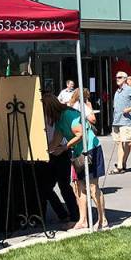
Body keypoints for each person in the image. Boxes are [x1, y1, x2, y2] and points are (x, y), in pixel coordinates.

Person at [51, 90, 106, 230]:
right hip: (77, 154)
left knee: (93, 187)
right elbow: (55, 141)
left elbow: (80, 134)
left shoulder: (68, 114)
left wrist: (64, 147)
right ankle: (83, 221)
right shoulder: (59, 120)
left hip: (91, 149)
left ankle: (103, 220)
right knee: (79, 187)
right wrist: (45, 152)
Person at [41, 93, 79, 224]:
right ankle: (64, 214)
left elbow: (58, 137)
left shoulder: (60, 117)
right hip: (53, 152)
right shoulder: (50, 116)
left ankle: (74, 215)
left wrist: (54, 149)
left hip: (60, 152)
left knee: (63, 186)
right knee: (48, 188)